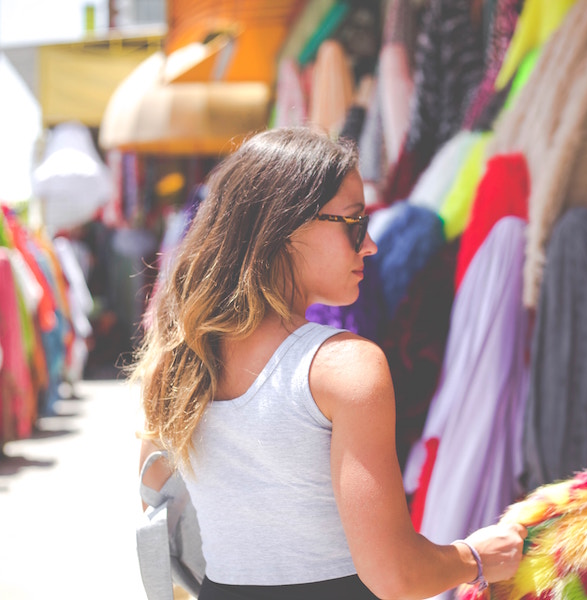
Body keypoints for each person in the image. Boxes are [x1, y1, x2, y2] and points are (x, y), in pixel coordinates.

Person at [132, 127, 527, 600]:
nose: (370, 245)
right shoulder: (345, 368)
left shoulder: (180, 361)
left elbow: (155, 497)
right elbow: (395, 574)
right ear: (289, 226)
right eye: (354, 223)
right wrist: (476, 557)